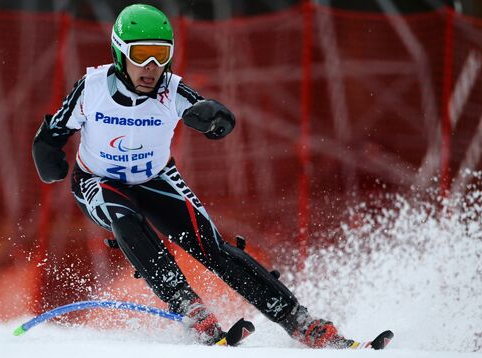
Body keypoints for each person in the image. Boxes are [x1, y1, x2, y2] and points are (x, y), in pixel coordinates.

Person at [32, 4, 391, 349]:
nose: (151, 67)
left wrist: (215, 120)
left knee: (211, 247)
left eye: (161, 54)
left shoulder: (171, 90)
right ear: (120, 54)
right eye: (141, 55)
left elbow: (215, 117)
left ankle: (299, 321)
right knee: (123, 215)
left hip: (155, 179)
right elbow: (53, 132)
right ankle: (189, 307)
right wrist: (48, 154)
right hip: (97, 180)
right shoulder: (92, 89)